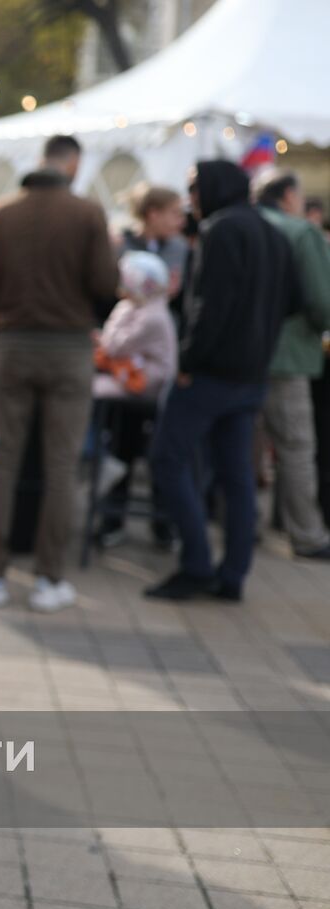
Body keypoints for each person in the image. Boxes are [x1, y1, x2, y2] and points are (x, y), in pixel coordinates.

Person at [0, 134, 119, 612]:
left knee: (1, 463)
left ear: (40, 161)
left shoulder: (2, 212)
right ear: (72, 164)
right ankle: (49, 580)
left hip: (12, 343)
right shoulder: (88, 213)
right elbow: (106, 283)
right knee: (62, 466)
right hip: (70, 347)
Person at [144, 161, 298, 601]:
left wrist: (191, 359)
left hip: (212, 375)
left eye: (194, 187)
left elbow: (210, 306)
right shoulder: (271, 232)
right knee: (237, 476)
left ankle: (196, 563)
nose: (191, 196)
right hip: (250, 375)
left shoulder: (223, 230)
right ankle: (232, 574)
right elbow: (293, 301)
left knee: (169, 460)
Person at [254, 169, 330, 560]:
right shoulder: (302, 233)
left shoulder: (240, 225)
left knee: (246, 444)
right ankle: (307, 533)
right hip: (289, 354)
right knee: (296, 448)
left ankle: (244, 523)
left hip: (243, 354)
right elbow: (322, 301)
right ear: (288, 196)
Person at [90, 251, 179, 545]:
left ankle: (98, 460)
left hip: (145, 394)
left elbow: (113, 345)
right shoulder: (139, 309)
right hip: (132, 394)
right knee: (123, 447)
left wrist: (105, 335)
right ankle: (113, 519)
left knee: (127, 449)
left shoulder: (151, 315)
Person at [118, 183, 190, 295]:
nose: (182, 222)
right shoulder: (119, 246)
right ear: (153, 214)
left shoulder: (180, 247)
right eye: (175, 213)